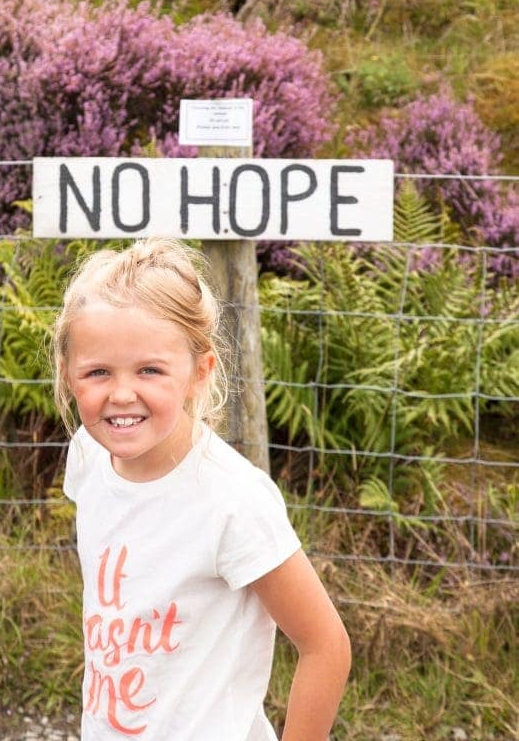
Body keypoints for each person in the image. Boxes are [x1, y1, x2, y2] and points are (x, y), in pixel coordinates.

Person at [54, 238, 351, 740]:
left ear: (200, 372)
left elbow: (326, 646)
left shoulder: (233, 501)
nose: (122, 393)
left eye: (150, 369)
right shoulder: (86, 456)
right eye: (98, 372)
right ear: (68, 373)